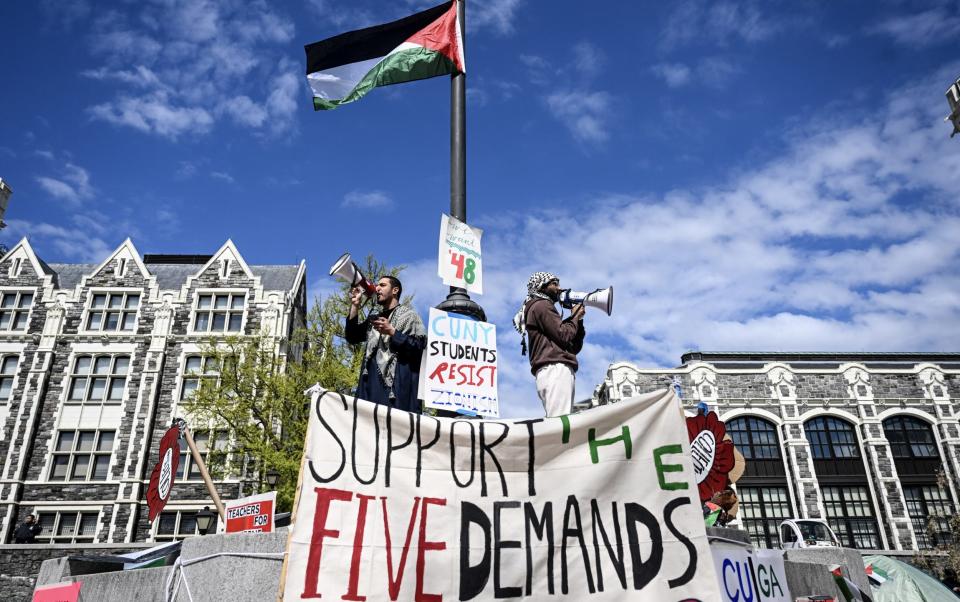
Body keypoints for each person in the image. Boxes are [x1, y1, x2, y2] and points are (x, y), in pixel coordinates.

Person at [345, 276, 426, 414]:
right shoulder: (374, 320)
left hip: (397, 394)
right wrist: (355, 305)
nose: (377, 288)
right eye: (377, 285)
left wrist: (393, 332)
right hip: (369, 392)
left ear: (395, 290)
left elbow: (419, 348)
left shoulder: (410, 316)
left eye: (382, 285)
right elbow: (352, 336)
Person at [514, 271, 586, 417]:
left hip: (555, 368)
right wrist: (574, 316)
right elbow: (564, 335)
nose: (559, 288)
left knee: (560, 419)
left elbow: (573, 346)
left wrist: (578, 320)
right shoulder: (541, 305)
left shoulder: (541, 307)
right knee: (560, 421)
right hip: (555, 368)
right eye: (554, 284)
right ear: (541, 287)